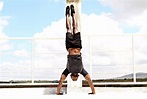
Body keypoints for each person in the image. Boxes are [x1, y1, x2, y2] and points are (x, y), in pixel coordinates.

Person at [56, 5, 96, 95]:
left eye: (73, 80)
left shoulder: (68, 70)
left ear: (70, 77)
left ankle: (67, 15)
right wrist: (93, 91)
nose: (75, 79)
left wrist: (58, 92)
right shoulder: (81, 70)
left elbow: (61, 80)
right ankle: (73, 13)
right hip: (78, 46)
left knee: (69, 29)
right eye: (76, 80)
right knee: (75, 28)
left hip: (70, 46)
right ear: (77, 77)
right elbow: (89, 79)